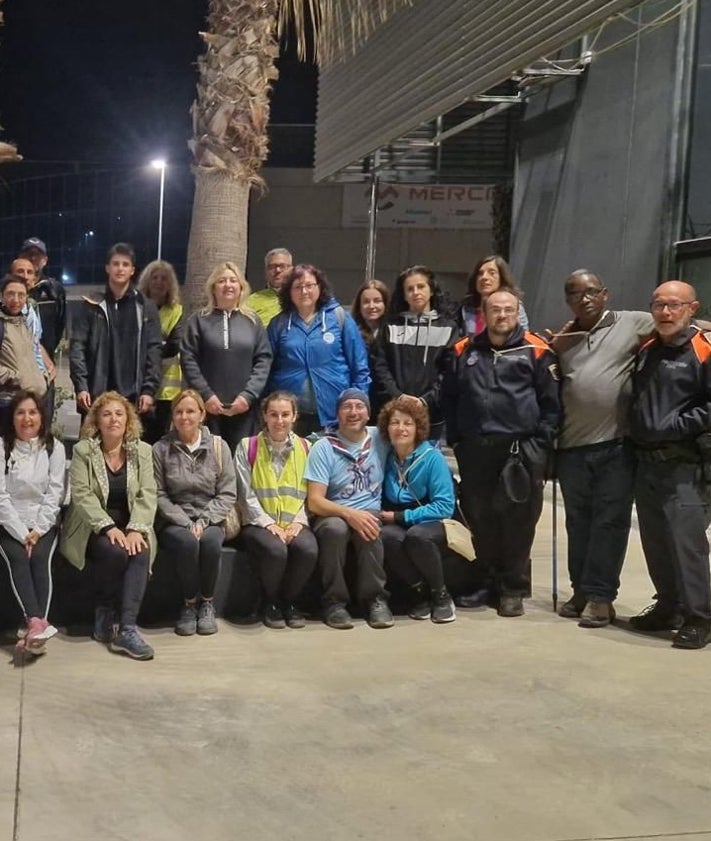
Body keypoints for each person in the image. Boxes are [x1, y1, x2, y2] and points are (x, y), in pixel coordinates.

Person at [443, 288, 560, 617]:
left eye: (509, 310)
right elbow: (449, 399)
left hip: (519, 453)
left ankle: (513, 588)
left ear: (517, 312)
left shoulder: (536, 351)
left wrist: (538, 447)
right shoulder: (463, 351)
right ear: (484, 313)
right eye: (496, 310)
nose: (502, 316)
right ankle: (486, 583)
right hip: (476, 452)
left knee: (518, 523)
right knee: (481, 520)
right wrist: (458, 440)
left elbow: (552, 407)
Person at [551, 270, 654, 627]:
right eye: (575, 293)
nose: (584, 298)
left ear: (605, 294)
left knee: (609, 523)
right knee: (578, 523)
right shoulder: (566, 340)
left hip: (616, 445)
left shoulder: (633, 322)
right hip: (571, 447)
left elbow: (677, 325)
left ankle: (600, 597)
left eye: (591, 291)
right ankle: (581, 590)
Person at [629, 281, 711, 650]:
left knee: (687, 545)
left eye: (673, 306)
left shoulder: (704, 350)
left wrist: (674, 427)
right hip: (648, 466)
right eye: (658, 304)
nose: (665, 312)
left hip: (686, 467)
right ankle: (669, 606)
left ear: (692, 309)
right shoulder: (648, 348)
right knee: (656, 542)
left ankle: (700, 618)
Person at [60, 391, 157, 660]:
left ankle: (127, 629)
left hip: (131, 522)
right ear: (97, 421)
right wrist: (108, 527)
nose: (113, 419)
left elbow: (148, 493)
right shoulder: (83, 451)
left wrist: (136, 528)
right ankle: (104, 610)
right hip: (92, 525)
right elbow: (81, 495)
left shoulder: (143, 451)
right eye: (106, 414)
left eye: (119, 414)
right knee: (115, 550)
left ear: (128, 420)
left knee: (141, 550)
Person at [305, 388, 392, 630]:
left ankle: (375, 599)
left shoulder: (381, 437)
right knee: (335, 529)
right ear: (338, 413)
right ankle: (334, 602)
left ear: (368, 412)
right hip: (334, 512)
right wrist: (349, 514)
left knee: (369, 527)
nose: (353, 412)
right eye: (347, 407)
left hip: (371, 512)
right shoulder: (323, 447)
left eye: (359, 406)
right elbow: (315, 501)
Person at [152, 389, 236, 636]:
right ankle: (189, 605)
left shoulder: (219, 447)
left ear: (202, 415)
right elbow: (158, 494)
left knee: (210, 542)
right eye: (179, 411)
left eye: (190, 411)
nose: (184, 416)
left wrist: (204, 520)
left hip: (211, 517)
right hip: (174, 520)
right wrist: (186, 522)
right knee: (187, 543)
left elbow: (228, 493)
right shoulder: (160, 448)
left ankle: (207, 603)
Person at [234, 390, 318, 629]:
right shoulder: (247, 447)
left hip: (295, 521)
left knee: (308, 550)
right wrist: (268, 523)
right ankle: (269, 602)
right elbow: (244, 493)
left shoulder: (307, 448)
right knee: (276, 551)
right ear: (264, 416)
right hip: (257, 522)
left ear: (294, 417)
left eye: (285, 415)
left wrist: (299, 522)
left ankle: (288, 602)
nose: (279, 421)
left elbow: (310, 492)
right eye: (274, 414)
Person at [267, 264, 370, 436]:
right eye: (298, 287)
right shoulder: (279, 324)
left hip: (334, 414)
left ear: (319, 287)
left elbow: (360, 367)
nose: (304, 291)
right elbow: (267, 368)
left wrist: (357, 405)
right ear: (289, 292)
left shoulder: (339, 318)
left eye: (309, 285)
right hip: (289, 417)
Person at [378, 396, 456, 623]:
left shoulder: (433, 458)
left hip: (433, 521)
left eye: (407, 423)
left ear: (418, 428)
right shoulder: (388, 458)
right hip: (400, 520)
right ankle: (420, 592)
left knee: (417, 536)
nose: (400, 428)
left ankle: (441, 595)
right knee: (385, 536)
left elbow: (444, 507)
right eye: (395, 422)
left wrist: (402, 516)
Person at [181, 261, 272, 453]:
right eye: (222, 281)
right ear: (213, 288)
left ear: (241, 288)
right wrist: (206, 396)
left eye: (233, 280)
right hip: (208, 409)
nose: (228, 285)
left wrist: (247, 396)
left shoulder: (253, 321)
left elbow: (263, 360)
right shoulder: (198, 320)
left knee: (242, 464)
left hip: (244, 410)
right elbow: (188, 359)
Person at [0, 390, 65, 655]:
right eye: (20, 412)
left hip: (42, 522)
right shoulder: (2, 446)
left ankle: (33, 627)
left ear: (41, 416)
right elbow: (1, 496)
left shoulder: (54, 448)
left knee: (39, 559)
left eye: (33, 412)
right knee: (17, 557)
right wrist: (20, 532)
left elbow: (55, 493)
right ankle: (37, 624)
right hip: (9, 521)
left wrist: (37, 531)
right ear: (12, 418)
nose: (27, 418)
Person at [69, 242, 162, 419]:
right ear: (107, 268)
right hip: (96, 397)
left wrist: (149, 389)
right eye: (116, 264)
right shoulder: (92, 305)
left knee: (130, 447)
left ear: (132, 270)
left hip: (134, 400)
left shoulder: (145, 307)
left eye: (125, 264)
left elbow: (154, 350)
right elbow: (77, 348)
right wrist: (81, 387)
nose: (120, 269)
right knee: (91, 447)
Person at [371, 265, 457, 441]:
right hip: (395, 413)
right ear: (403, 295)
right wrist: (398, 396)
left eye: (421, 286)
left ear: (431, 290)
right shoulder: (391, 326)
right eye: (410, 289)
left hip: (431, 416)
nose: (415, 292)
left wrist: (426, 401)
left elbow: (449, 372)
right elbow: (381, 366)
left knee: (425, 465)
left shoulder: (449, 328)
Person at [137, 260, 184, 443]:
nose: (159, 282)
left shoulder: (176, 311)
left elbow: (175, 345)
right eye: (154, 277)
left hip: (166, 390)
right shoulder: (137, 309)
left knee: (160, 439)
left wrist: (149, 348)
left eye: (164, 278)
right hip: (139, 385)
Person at [0, 275, 48, 428]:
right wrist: (14, 378)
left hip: (32, 402)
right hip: (9, 404)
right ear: (2, 296)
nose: (16, 299)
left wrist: (43, 377)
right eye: (10, 294)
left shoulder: (24, 323)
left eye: (21, 295)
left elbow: (33, 356)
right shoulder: (1, 325)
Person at [18, 237, 66, 362]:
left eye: (37, 255)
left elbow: (59, 327)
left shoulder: (54, 291)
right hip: (13, 364)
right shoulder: (6, 290)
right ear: (20, 257)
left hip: (44, 365)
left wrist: (45, 353)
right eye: (29, 254)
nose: (33, 258)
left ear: (45, 260)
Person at [458, 254, 529, 336]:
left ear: (501, 278)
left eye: (492, 273)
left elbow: (524, 337)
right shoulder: (467, 308)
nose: (484, 277)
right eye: (480, 273)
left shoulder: (513, 306)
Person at [246, 248, 294, 326]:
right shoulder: (251, 301)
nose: (277, 270)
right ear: (266, 271)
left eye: (282, 266)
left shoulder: (300, 296)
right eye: (272, 267)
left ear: (292, 269)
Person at [351, 279, 390, 347]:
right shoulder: (351, 333)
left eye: (377, 301)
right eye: (366, 302)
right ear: (359, 305)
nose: (371, 306)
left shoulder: (394, 334)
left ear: (385, 304)